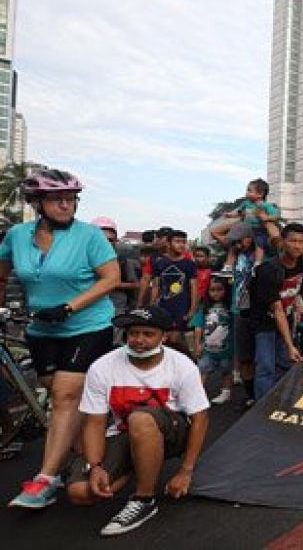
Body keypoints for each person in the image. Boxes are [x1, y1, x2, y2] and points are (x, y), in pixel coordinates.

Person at [0, 169, 121, 509]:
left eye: (71, 199)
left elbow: (111, 278)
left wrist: (69, 307)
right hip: (41, 330)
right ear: (37, 203)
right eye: (57, 199)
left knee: (66, 397)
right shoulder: (17, 235)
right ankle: (87, 452)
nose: (66, 205)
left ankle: (44, 479)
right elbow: (2, 273)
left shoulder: (90, 236)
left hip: (88, 325)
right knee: (60, 397)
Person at [66, 306, 210, 536]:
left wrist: (185, 471)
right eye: (133, 333)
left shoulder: (182, 365)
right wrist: (95, 467)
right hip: (126, 432)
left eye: (148, 334)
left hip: (173, 434)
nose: (139, 340)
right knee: (81, 492)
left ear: (163, 336)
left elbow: (200, 417)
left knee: (141, 418)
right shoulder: (102, 367)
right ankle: (141, 461)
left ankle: (144, 499)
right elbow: (94, 422)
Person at [249, 223, 303, 399]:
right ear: (283, 242)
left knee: (284, 363)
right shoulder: (268, 270)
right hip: (264, 321)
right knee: (265, 366)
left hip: (286, 318)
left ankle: (278, 400)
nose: (297, 246)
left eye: (301, 241)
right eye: (292, 240)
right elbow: (277, 309)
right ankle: (260, 406)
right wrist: (290, 344)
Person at [218, 222, 258, 407]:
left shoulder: (258, 253)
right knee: (244, 355)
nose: (236, 244)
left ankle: (261, 391)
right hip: (238, 309)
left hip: (257, 309)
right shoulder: (237, 253)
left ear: (249, 238)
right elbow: (215, 231)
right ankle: (250, 392)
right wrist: (239, 220)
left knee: (261, 354)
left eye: (239, 241)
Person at [150, 230, 199, 357]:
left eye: (183, 242)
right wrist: (151, 305)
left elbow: (194, 286)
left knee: (174, 340)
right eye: (177, 241)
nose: (181, 245)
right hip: (163, 306)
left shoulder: (189, 264)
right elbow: (155, 285)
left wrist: (192, 309)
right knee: (163, 340)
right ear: (168, 243)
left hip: (181, 308)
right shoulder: (159, 263)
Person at [210, 179, 281, 265]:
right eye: (247, 190)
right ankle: (228, 266)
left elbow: (276, 215)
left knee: (260, 244)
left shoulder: (265, 205)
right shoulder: (246, 203)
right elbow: (239, 212)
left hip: (259, 229)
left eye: (250, 191)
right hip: (247, 227)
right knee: (233, 244)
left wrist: (266, 218)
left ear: (260, 194)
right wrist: (230, 215)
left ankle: (257, 263)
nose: (247, 193)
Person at [192, 276, 233, 405]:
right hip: (207, 348)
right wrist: (197, 345)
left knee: (226, 369)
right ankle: (196, 394)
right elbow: (198, 327)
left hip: (226, 347)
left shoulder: (230, 308)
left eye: (219, 289)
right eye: (212, 290)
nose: (215, 293)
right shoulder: (204, 307)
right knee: (203, 369)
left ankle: (226, 392)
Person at [91, 216, 141, 317]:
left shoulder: (123, 262)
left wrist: (112, 283)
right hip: (86, 311)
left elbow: (135, 285)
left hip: (116, 311)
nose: (106, 243)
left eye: (110, 240)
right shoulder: (79, 261)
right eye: (101, 239)